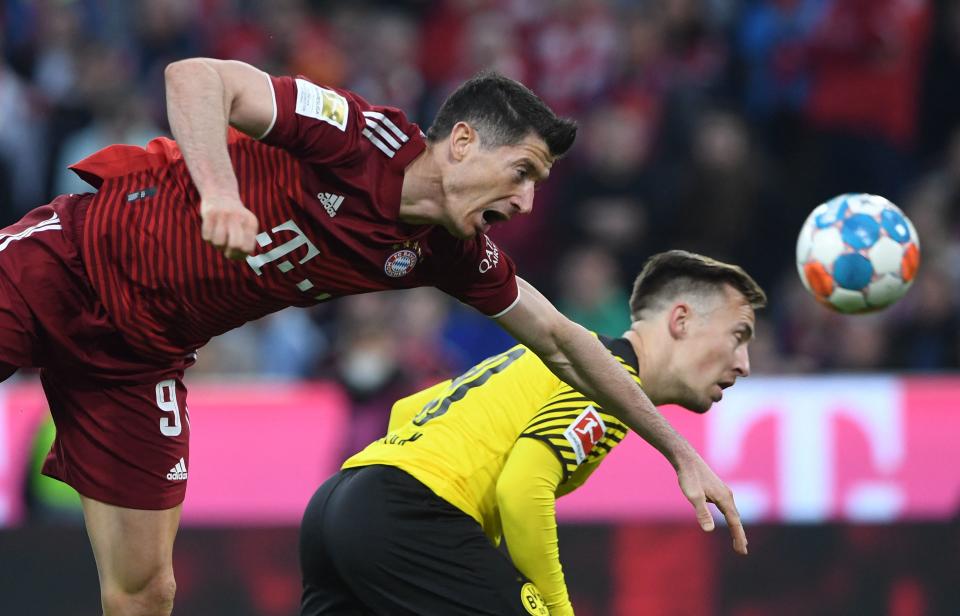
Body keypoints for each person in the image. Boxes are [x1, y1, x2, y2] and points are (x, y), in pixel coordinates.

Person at [0, 58, 740, 615]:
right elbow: (195, 75)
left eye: (537, 183)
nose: (525, 200)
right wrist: (219, 193)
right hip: (66, 263)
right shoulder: (359, 135)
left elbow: (561, 339)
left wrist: (676, 449)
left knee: (145, 590)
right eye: (521, 171)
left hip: (140, 359)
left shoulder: (449, 251)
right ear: (461, 142)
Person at [299, 250, 764, 616]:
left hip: (338, 504)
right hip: (407, 513)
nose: (744, 363)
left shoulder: (549, 358)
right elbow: (523, 487)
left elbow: (409, 409)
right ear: (681, 321)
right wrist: (556, 610)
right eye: (738, 335)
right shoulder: (609, 380)